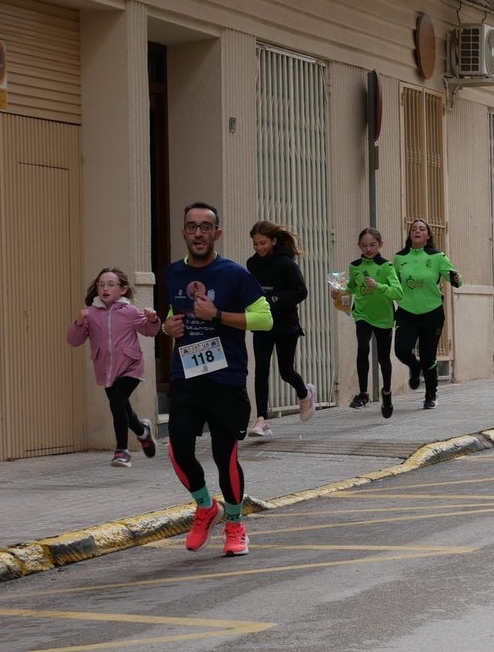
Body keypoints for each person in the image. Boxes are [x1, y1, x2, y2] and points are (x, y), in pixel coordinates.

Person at [162, 201, 273, 557]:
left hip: (226, 378)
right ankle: (206, 506)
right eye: (192, 226)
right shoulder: (172, 273)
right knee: (179, 450)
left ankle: (235, 524)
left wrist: (218, 315)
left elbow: (265, 319)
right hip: (186, 375)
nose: (198, 233)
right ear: (184, 232)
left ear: (217, 233)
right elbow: (173, 312)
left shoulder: (235, 274)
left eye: (205, 227)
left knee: (225, 456)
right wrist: (167, 327)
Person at [66, 267, 161, 466]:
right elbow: (74, 341)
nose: (105, 288)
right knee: (121, 406)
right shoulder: (91, 314)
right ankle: (142, 432)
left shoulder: (130, 311)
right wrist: (79, 322)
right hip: (106, 370)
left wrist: (153, 320)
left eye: (111, 284)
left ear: (123, 289)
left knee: (117, 401)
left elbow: (149, 331)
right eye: (101, 285)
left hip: (130, 366)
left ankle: (122, 451)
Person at [246, 220, 312, 438]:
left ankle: (304, 393)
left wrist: (274, 299)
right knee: (261, 370)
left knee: (286, 371)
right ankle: (261, 420)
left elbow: (301, 291)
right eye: (255, 244)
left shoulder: (286, 263)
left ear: (273, 241)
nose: (259, 248)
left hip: (285, 324)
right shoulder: (252, 264)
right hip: (262, 323)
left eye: (263, 243)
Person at [393, 217, 460, 411]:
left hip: (432, 313)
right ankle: (415, 367)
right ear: (410, 234)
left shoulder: (437, 256)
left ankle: (431, 394)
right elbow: (393, 282)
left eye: (422, 229)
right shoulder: (399, 258)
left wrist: (455, 278)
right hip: (406, 312)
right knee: (401, 350)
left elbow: (453, 277)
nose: (417, 231)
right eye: (414, 228)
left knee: (428, 356)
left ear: (428, 235)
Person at [345, 227, 401, 418]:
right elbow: (352, 287)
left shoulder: (386, 267)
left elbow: (398, 292)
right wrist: (339, 292)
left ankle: (387, 392)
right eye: (364, 245)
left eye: (372, 245)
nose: (368, 249)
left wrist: (379, 286)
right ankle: (363, 394)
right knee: (362, 348)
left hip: (384, 317)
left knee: (383, 358)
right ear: (359, 246)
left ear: (380, 245)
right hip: (362, 314)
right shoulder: (355, 266)